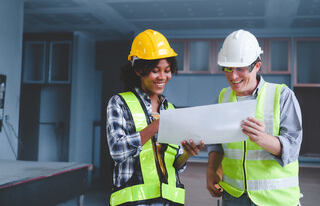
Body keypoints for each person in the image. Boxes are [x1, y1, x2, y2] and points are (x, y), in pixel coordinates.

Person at [106, 29, 204, 206]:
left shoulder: (171, 109)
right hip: (133, 201)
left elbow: (175, 164)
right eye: (155, 70)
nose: (162, 77)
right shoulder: (119, 103)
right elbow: (117, 151)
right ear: (138, 70)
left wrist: (187, 154)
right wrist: (157, 125)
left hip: (169, 200)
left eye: (167, 70)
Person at [206, 29, 303, 206]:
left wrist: (263, 139)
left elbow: (293, 148)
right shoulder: (223, 97)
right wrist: (212, 170)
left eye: (240, 69)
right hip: (234, 197)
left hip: (276, 200)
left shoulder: (282, 96)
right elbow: (217, 143)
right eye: (227, 68)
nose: (232, 76)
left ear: (256, 66)